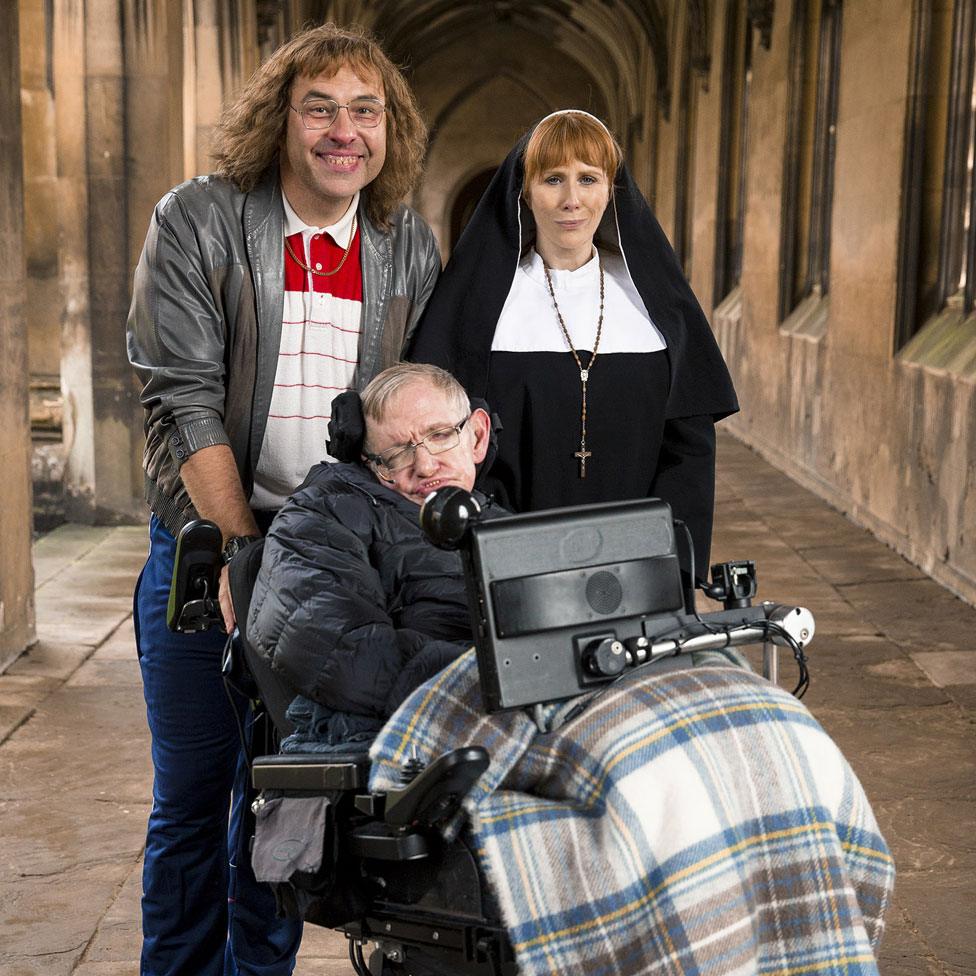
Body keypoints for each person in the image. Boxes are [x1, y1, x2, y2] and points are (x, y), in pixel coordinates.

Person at [125, 23, 439, 975]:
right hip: (206, 556)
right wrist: (237, 552)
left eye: (365, 111)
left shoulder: (403, 245)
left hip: (331, 570)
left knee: (288, 799)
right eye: (320, 109)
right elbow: (181, 398)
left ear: (389, 132)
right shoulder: (199, 220)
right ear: (279, 120)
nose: (344, 132)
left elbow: (411, 405)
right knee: (191, 802)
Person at [409, 110, 738, 578]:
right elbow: (450, 446)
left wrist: (671, 566)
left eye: (588, 179)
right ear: (524, 190)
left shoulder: (652, 306)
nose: (572, 200)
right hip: (510, 561)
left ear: (610, 191)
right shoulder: (481, 308)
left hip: (637, 562)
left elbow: (688, 447)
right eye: (553, 179)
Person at [246, 362, 496, 742]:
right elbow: (345, 656)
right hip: (410, 734)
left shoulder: (500, 523)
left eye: (440, 435)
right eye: (397, 453)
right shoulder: (317, 520)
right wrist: (503, 680)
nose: (426, 465)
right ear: (369, 463)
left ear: (476, 436)